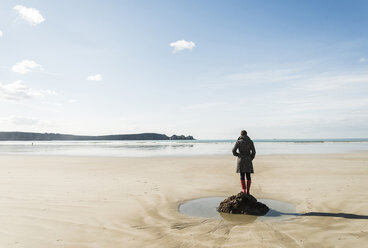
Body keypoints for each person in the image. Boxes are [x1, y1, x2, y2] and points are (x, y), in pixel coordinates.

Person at [232, 130, 256, 195]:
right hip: (248, 159)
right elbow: (254, 152)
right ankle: (248, 191)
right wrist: (251, 158)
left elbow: (233, 151)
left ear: (241, 135)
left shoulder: (238, 142)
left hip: (241, 160)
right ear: (246, 134)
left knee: (242, 175)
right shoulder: (250, 141)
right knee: (248, 175)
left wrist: (238, 155)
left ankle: (244, 190)